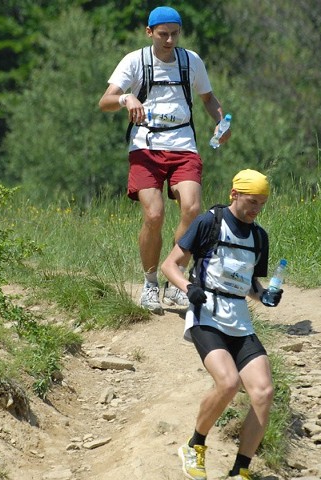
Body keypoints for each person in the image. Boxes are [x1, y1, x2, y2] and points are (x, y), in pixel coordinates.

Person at [98, 6, 230, 315]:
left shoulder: (191, 61)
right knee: (154, 215)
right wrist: (126, 98)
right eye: (163, 34)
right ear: (149, 33)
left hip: (183, 144)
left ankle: (175, 279)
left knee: (193, 208)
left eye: (174, 34)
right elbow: (104, 101)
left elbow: (209, 99)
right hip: (145, 146)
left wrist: (222, 123)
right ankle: (149, 282)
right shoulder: (135, 61)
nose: (169, 40)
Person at [161, 169, 283, 480]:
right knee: (228, 383)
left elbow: (249, 284)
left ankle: (240, 470)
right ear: (234, 194)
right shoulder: (208, 223)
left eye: (261, 204)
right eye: (251, 201)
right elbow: (169, 265)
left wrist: (265, 296)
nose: (255, 209)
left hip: (240, 321)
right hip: (207, 316)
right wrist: (189, 288)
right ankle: (195, 446)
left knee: (263, 391)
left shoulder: (259, 237)